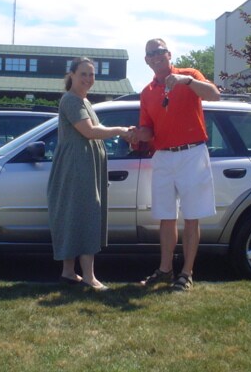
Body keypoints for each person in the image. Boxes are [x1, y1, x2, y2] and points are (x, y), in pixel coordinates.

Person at [132, 38, 220, 291]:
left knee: (191, 217)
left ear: (169, 54)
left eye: (160, 51)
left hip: (192, 153)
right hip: (162, 156)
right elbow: (148, 130)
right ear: (146, 60)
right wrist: (136, 134)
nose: (156, 56)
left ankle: (186, 273)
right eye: (151, 53)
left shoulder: (189, 75)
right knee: (166, 217)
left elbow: (214, 95)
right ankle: (165, 269)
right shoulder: (147, 92)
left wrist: (187, 81)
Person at [47, 57, 133, 291]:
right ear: (72, 75)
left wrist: (124, 131)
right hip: (76, 168)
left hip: (84, 166)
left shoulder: (84, 101)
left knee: (74, 215)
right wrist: (121, 130)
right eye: (83, 74)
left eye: (91, 74)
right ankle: (88, 276)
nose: (88, 78)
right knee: (86, 215)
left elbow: (94, 130)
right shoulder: (71, 100)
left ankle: (68, 272)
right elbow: (89, 131)